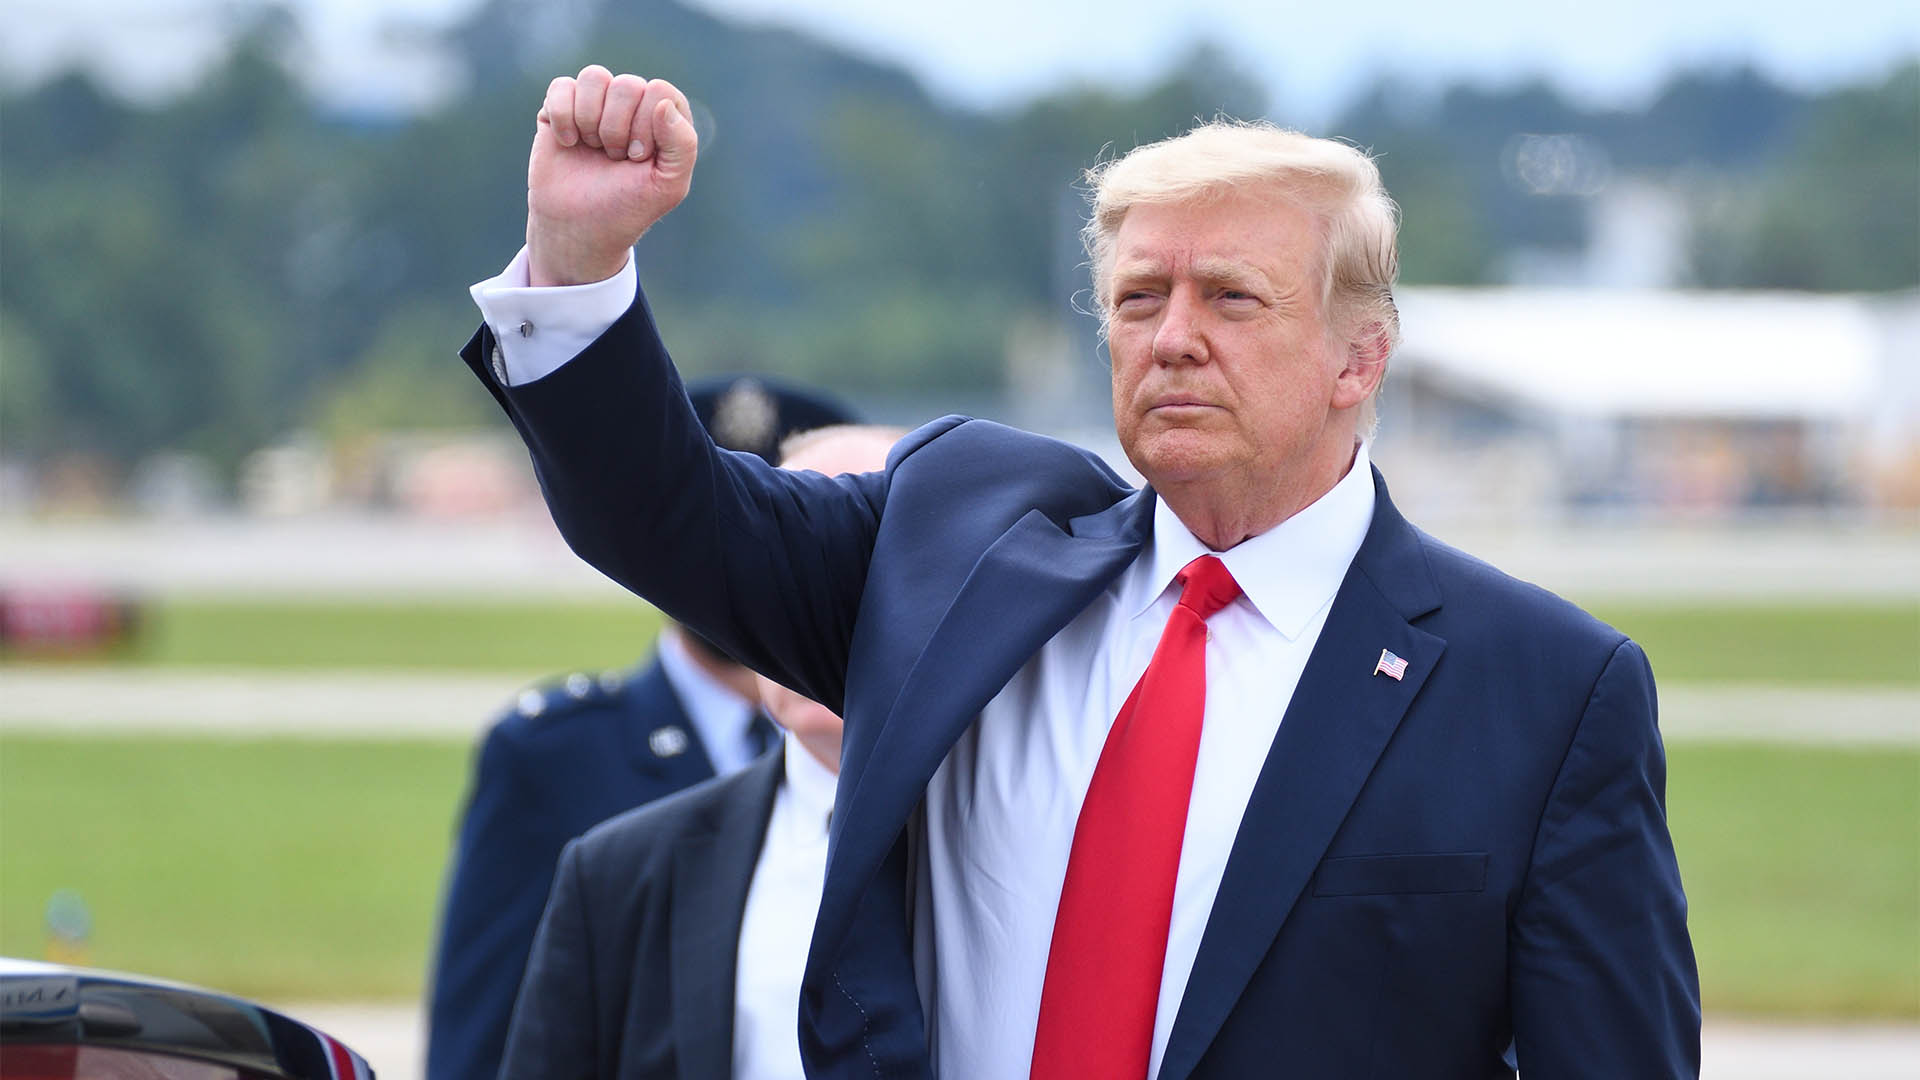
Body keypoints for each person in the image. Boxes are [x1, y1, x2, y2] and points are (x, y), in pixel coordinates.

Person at [461, 67, 1700, 1079]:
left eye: (1232, 297)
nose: (1172, 337)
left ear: (1358, 358)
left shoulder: (1539, 691)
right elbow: (668, 518)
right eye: (1138, 296)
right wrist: (575, 268)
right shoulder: (959, 552)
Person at [424, 374, 858, 1080]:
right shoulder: (554, 756)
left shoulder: (915, 755)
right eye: (712, 522)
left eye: (772, 525)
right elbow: (483, 1044)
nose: (739, 557)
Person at [499, 425, 903, 1080]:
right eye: (793, 561)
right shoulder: (621, 876)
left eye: (871, 560)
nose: (825, 602)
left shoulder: (1038, 842)